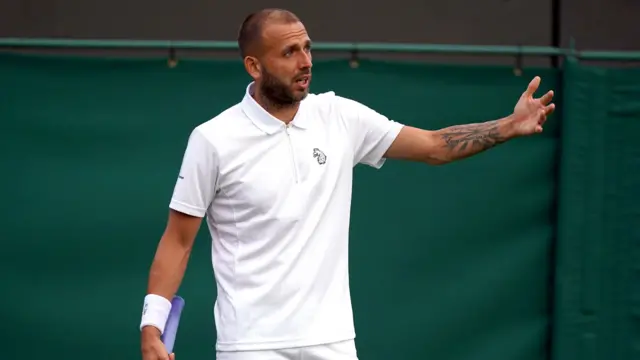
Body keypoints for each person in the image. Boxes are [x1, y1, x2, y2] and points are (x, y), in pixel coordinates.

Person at [139, 8, 555, 360]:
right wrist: (151, 327)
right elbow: (178, 240)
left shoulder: (338, 116)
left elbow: (433, 146)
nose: (306, 61)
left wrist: (508, 126)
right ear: (254, 65)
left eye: (307, 48)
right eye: (289, 52)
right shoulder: (212, 139)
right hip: (251, 344)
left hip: (334, 342)